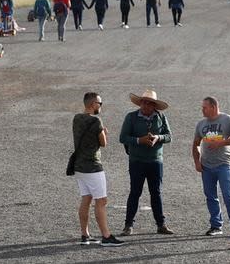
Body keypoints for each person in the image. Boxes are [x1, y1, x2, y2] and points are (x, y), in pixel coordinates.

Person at [72, 92, 125, 247]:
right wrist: (105, 133)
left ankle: (85, 234)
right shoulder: (96, 121)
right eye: (99, 104)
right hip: (93, 166)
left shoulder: (76, 118)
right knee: (101, 201)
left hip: (79, 166)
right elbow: (103, 143)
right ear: (92, 104)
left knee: (86, 199)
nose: (100, 106)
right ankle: (106, 236)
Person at [119, 90, 174, 236]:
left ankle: (161, 225)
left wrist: (158, 137)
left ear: (154, 105)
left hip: (155, 161)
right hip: (137, 161)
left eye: (149, 103)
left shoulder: (161, 117)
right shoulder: (131, 117)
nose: (145, 105)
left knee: (156, 193)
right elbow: (123, 137)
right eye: (143, 102)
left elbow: (169, 136)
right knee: (135, 192)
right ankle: (128, 225)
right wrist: (139, 140)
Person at [192, 97, 230, 238]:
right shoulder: (201, 124)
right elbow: (196, 143)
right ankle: (216, 225)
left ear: (214, 107)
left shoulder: (228, 120)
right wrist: (197, 161)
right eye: (202, 107)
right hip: (206, 166)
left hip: (223, 165)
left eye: (205, 107)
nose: (202, 110)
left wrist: (220, 144)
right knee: (210, 196)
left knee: (228, 195)